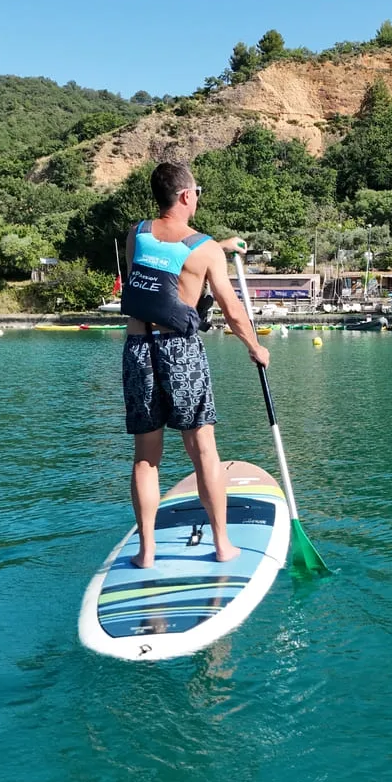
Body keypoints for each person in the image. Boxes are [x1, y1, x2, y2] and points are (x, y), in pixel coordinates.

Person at [120, 161, 269, 569]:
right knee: (203, 450)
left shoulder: (136, 234)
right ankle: (223, 544)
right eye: (197, 192)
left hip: (138, 349)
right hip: (181, 352)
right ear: (187, 196)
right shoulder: (202, 249)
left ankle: (146, 552)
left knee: (146, 457)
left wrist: (219, 246)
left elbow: (162, 262)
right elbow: (232, 309)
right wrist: (255, 347)